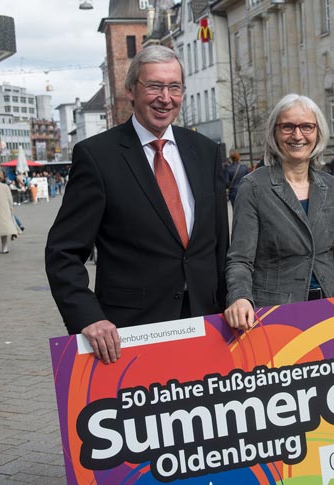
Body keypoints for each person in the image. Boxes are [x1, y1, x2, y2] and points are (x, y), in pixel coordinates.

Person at [45, 45, 229, 364]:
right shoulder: (97, 156)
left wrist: (231, 302)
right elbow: (63, 252)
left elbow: (219, 243)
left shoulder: (205, 151)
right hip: (132, 331)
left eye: (174, 87)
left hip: (206, 320)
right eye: (154, 86)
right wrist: (87, 317)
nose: (165, 97)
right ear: (131, 90)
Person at [224, 94, 334, 331]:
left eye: (307, 126)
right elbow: (240, 260)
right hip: (277, 315)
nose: (297, 135)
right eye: (288, 127)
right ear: (275, 132)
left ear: (317, 132)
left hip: (332, 306)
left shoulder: (330, 186)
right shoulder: (253, 187)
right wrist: (239, 297)